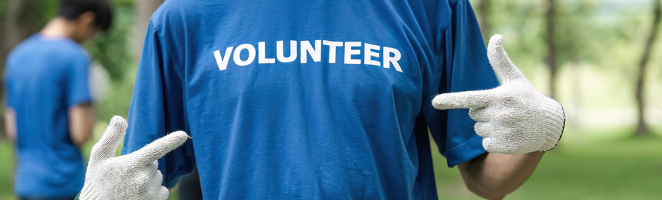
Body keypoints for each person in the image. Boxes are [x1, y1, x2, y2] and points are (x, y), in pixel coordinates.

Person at [78, 0, 565, 199]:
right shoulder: (185, 17)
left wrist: (545, 130)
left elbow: (486, 178)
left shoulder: (431, 7)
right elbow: (145, 180)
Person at [3, 0, 112, 199]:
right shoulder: (75, 57)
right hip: (63, 183)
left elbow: (12, 129)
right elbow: (81, 132)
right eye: (95, 33)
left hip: (26, 183)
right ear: (87, 20)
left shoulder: (16, 57)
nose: (91, 39)